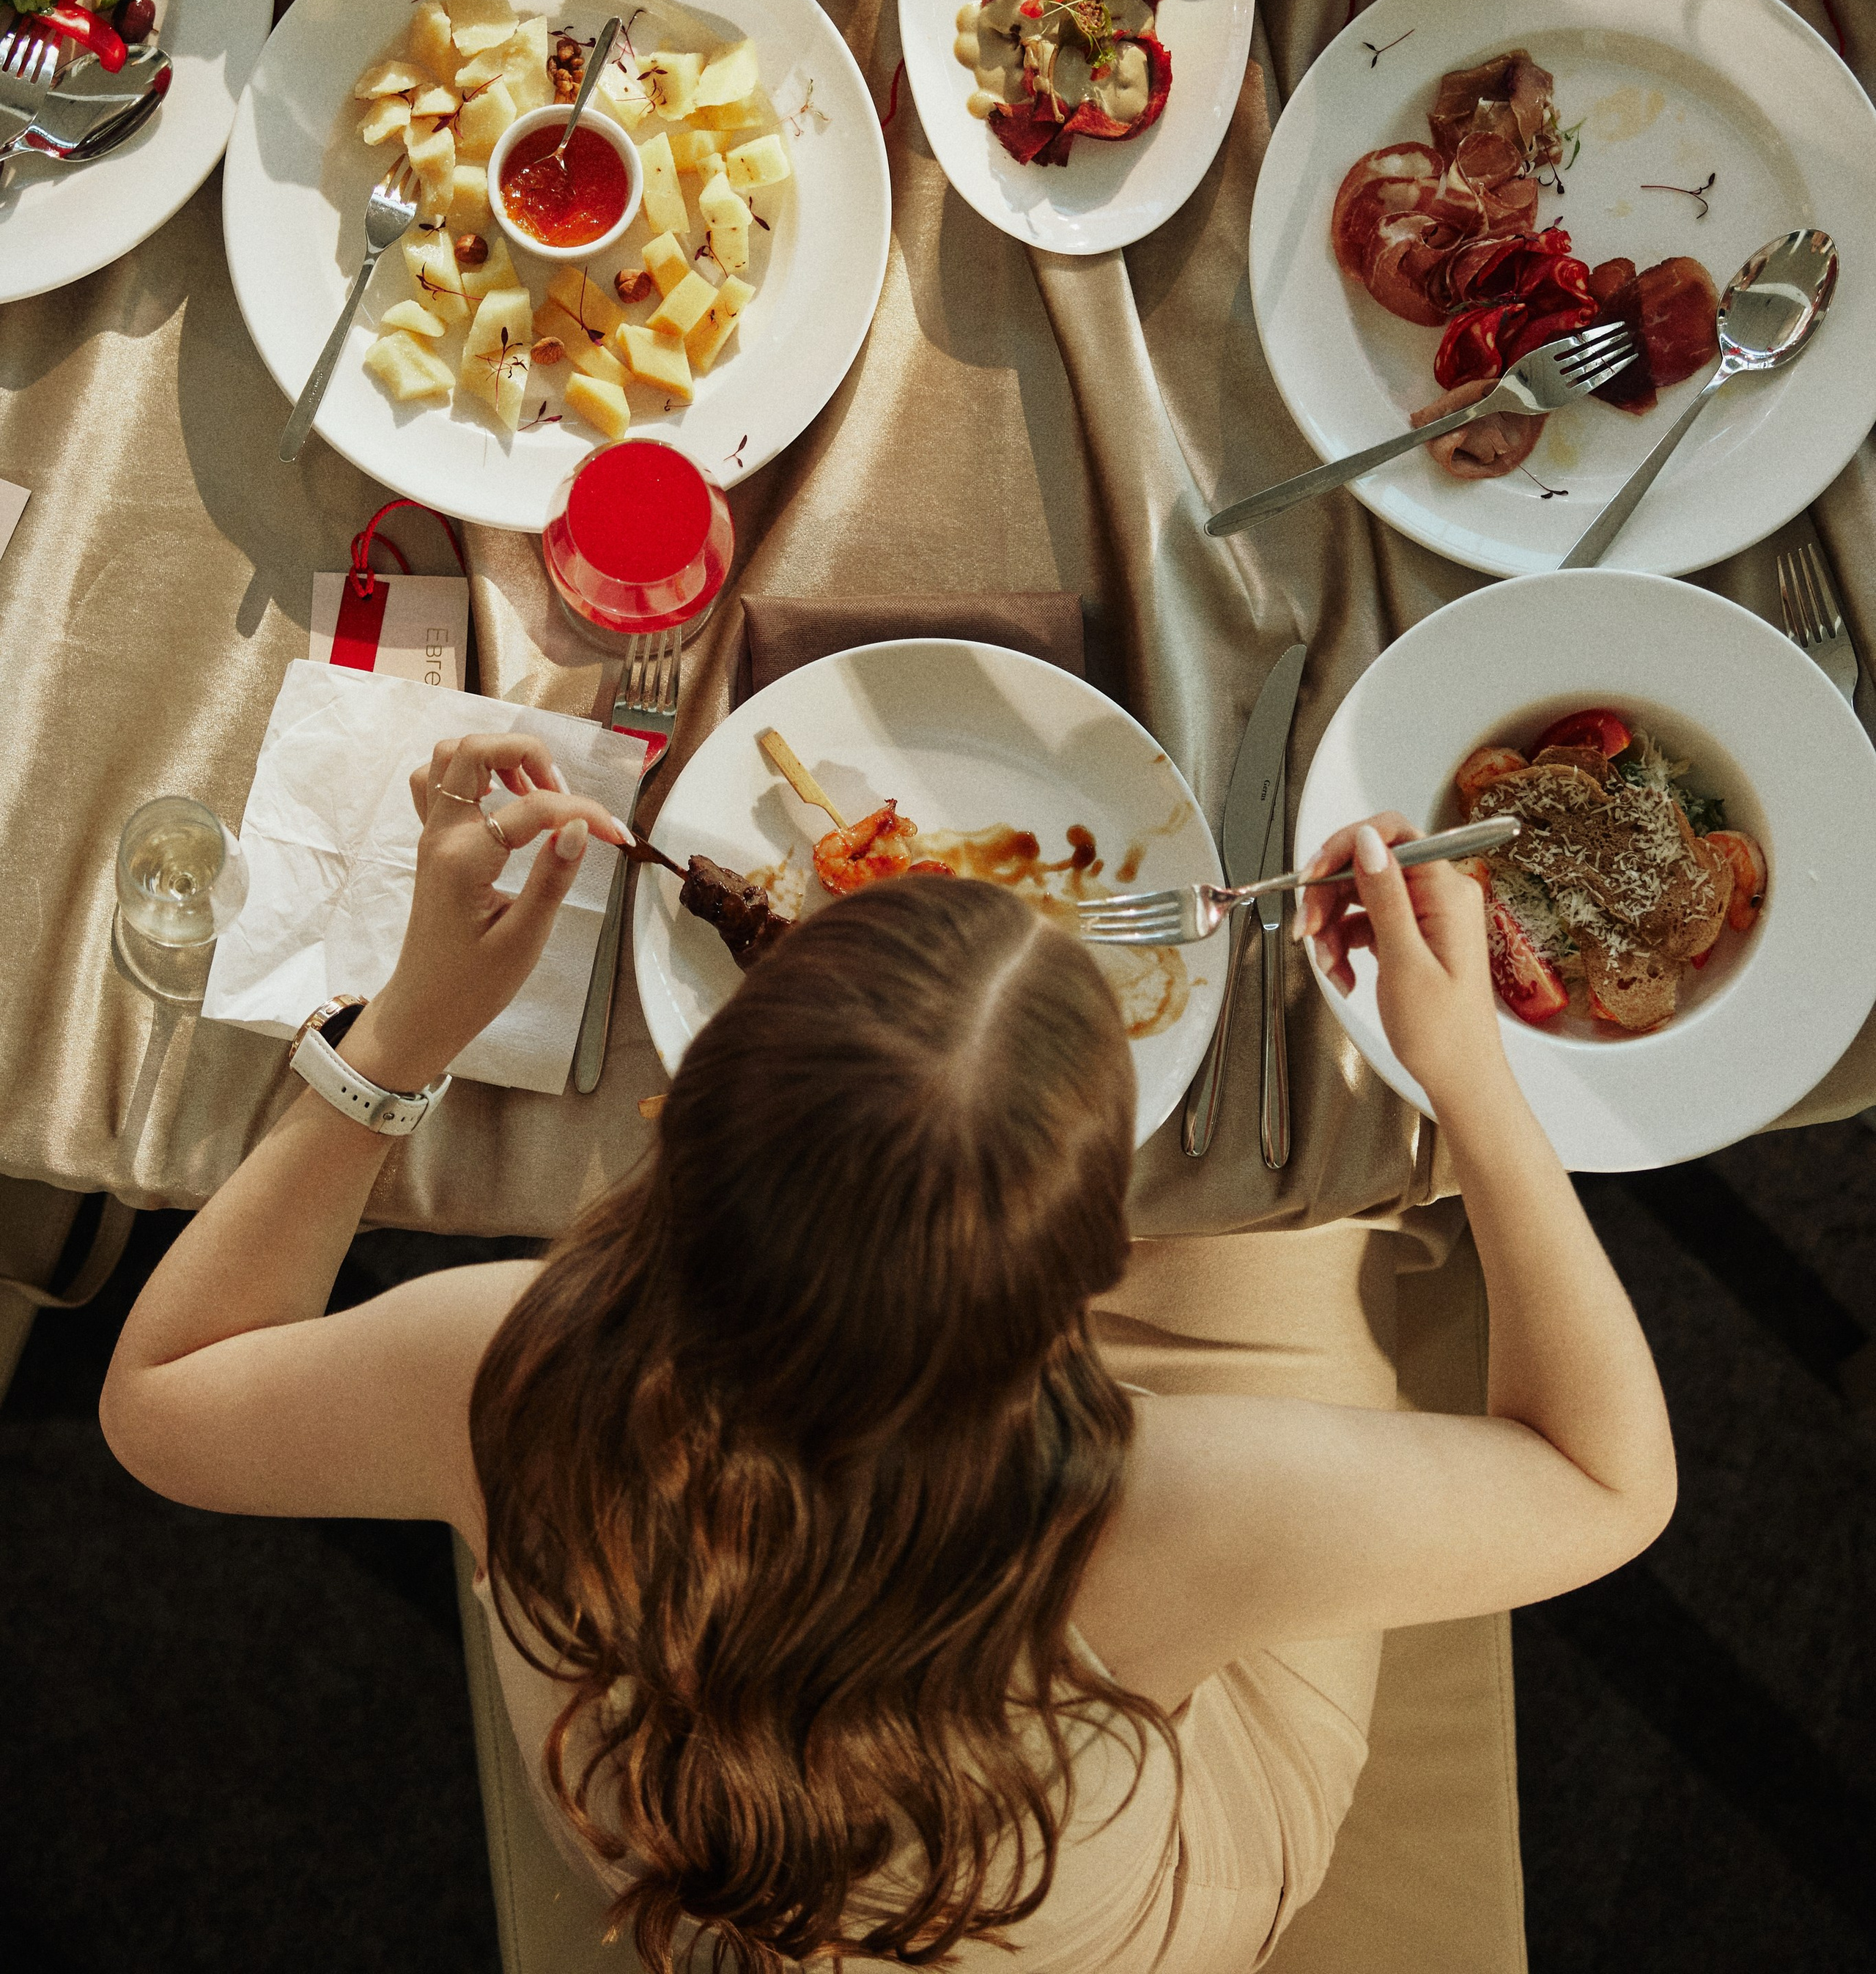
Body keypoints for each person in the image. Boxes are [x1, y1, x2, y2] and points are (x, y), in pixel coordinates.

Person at [101, 731, 1676, 1973]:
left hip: (691, 1863)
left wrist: (404, 1037)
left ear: (674, 1138)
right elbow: (1606, 1479)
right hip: (1079, 1915)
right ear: (1087, 1282)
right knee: (1296, 1222)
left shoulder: (496, 1363)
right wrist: (1469, 1077)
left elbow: (161, 1402)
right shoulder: (1184, 1504)